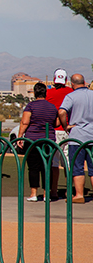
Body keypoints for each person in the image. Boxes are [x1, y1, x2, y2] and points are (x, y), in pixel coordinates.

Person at [18, 82, 59, 201]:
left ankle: (33, 193)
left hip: (33, 140)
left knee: (33, 166)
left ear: (35, 93)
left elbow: (25, 122)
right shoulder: (52, 107)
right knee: (47, 166)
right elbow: (55, 123)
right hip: (48, 140)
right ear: (45, 93)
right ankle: (47, 194)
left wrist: (20, 135)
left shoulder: (31, 106)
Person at [58, 73, 93, 204]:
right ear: (84, 82)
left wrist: (66, 126)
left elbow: (61, 111)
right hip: (92, 136)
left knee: (77, 166)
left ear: (72, 84)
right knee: (92, 168)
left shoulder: (71, 96)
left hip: (77, 136)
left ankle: (79, 194)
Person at [46, 68, 73, 199]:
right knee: (68, 162)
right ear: (66, 80)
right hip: (68, 130)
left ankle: (54, 191)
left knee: (54, 163)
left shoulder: (48, 93)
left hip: (54, 131)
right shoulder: (71, 92)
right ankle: (69, 190)